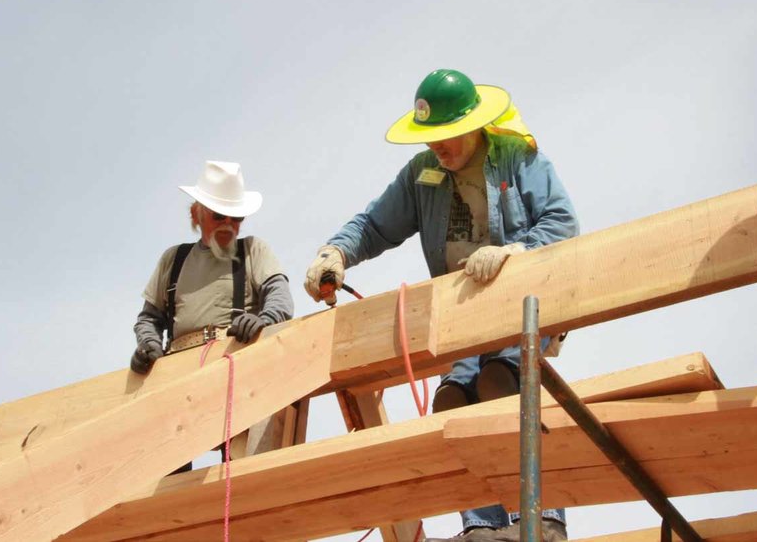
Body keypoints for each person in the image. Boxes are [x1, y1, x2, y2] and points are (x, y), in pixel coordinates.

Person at [304, 69, 578, 542]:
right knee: (451, 399)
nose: (438, 146)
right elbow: (374, 224)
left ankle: (540, 520)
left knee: (500, 382)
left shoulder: (518, 157)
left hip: (519, 301)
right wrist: (337, 252)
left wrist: (516, 253)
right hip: (462, 312)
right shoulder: (422, 176)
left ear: (473, 125)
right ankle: (483, 528)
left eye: (447, 136)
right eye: (430, 137)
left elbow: (562, 221)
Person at [131, 160, 294, 374]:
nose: (228, 223)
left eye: (236, 217)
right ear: (195, 214)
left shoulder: (253, 250)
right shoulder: (173, 259)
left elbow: (280, 299)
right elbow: (149, 318)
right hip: (177, 373)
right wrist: (148, 345)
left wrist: (264, 321)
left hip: (236, 363)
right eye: (218, 215)